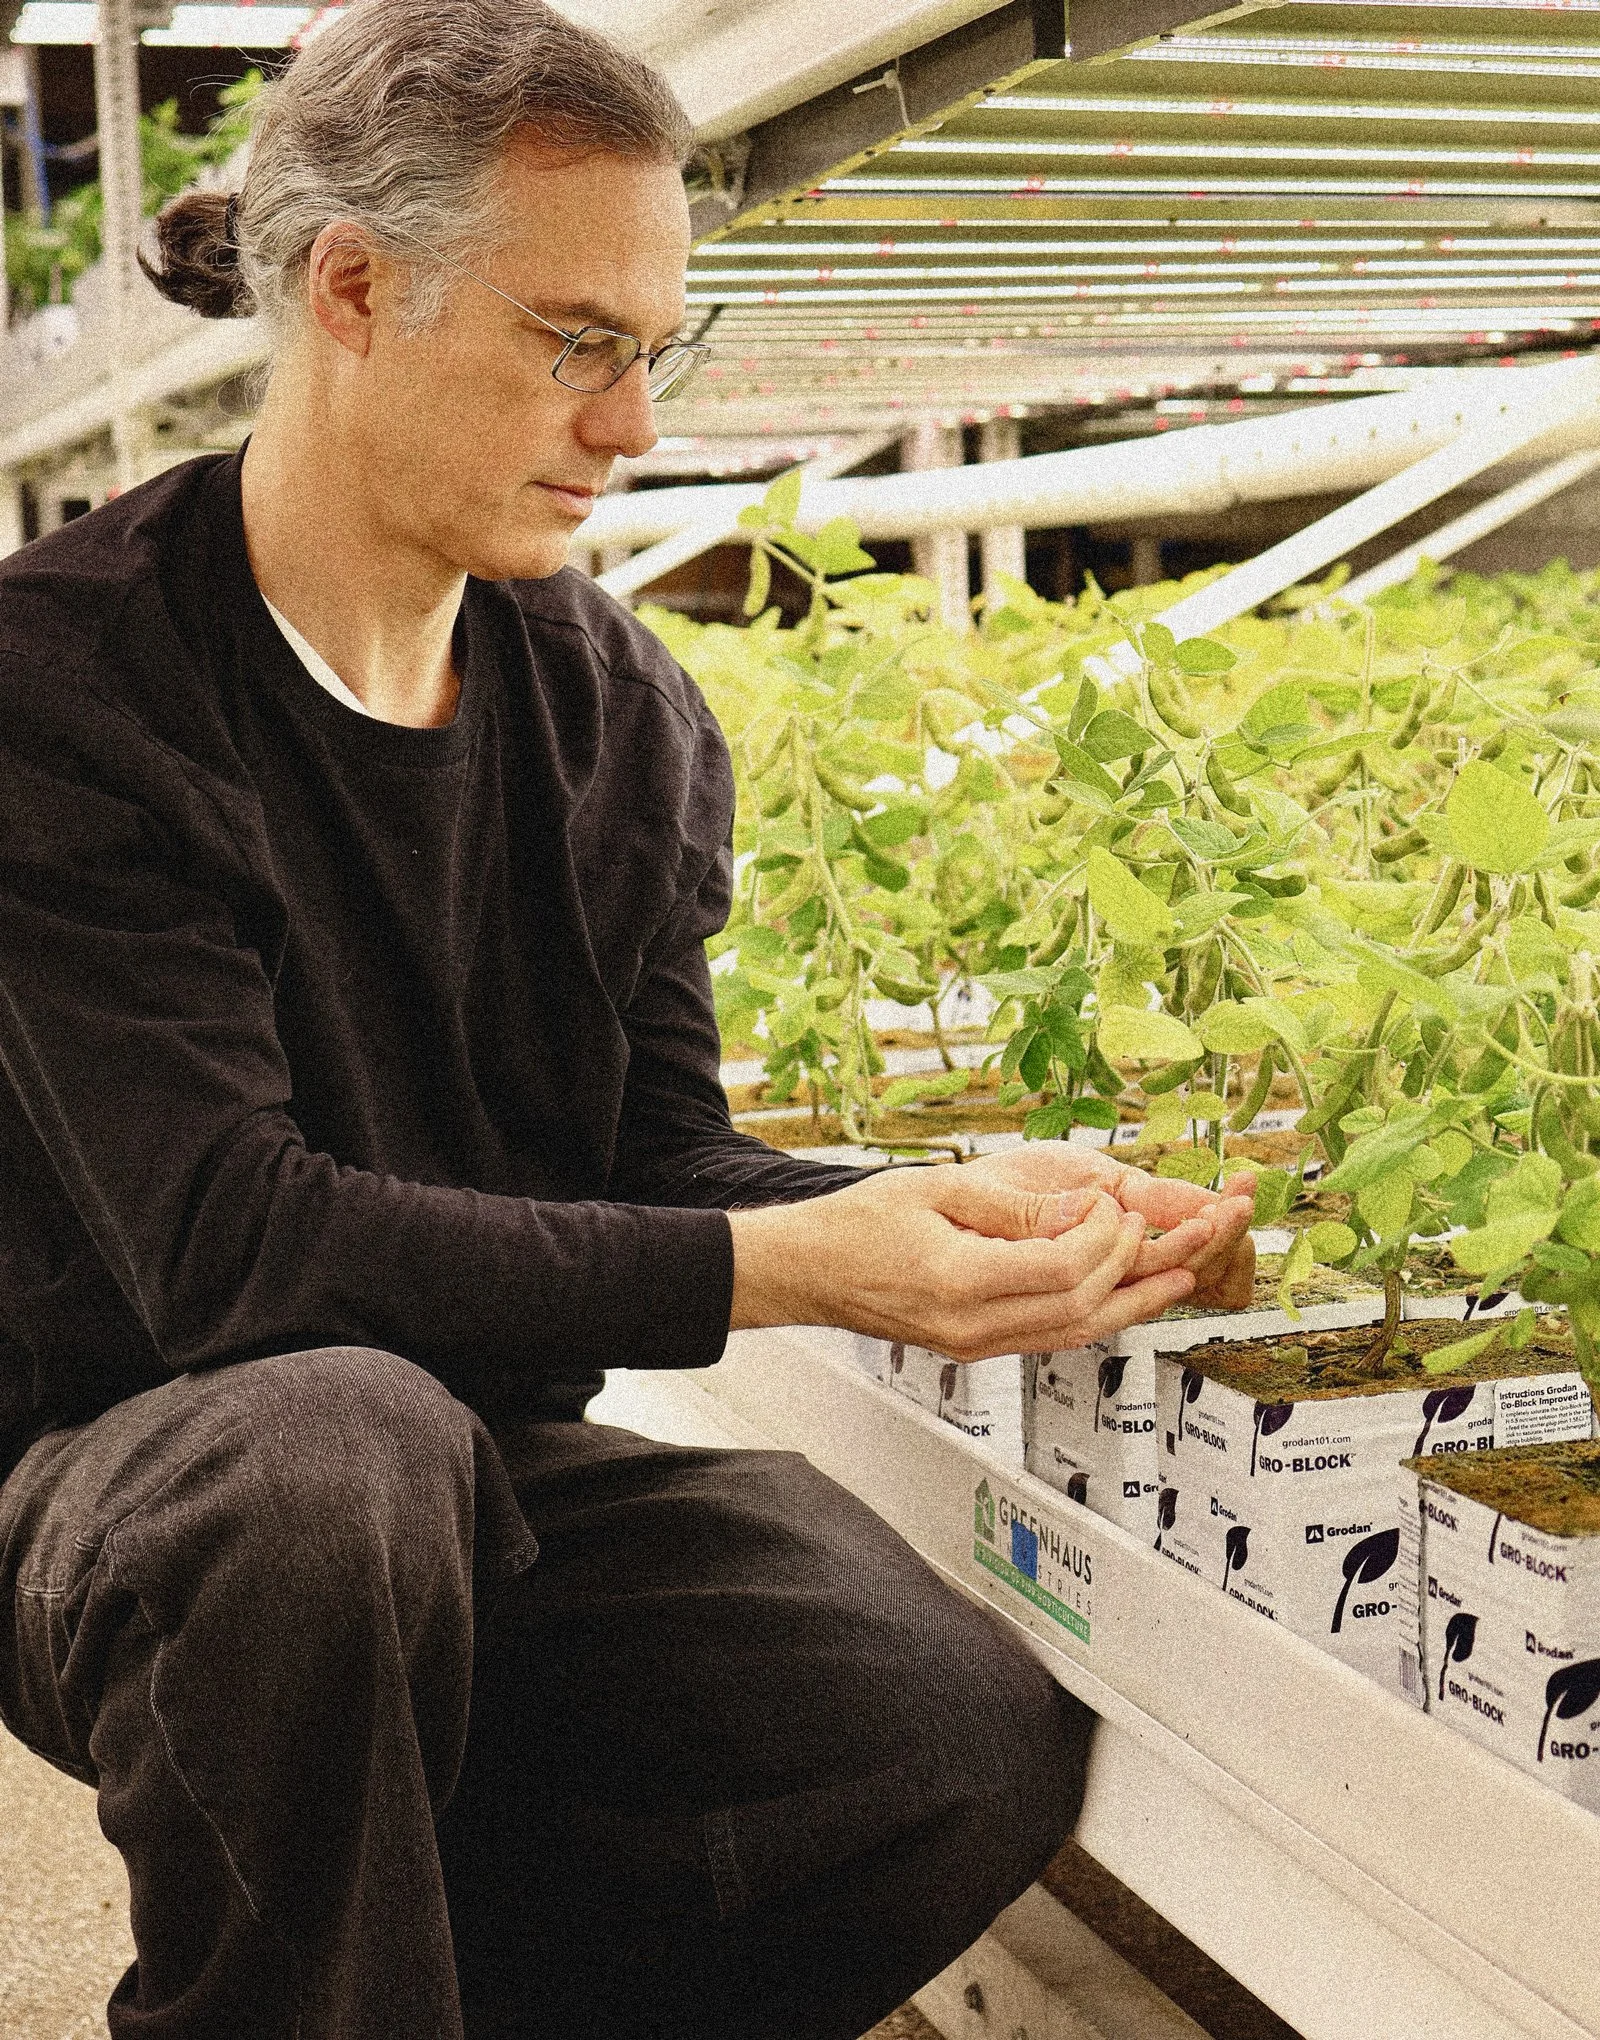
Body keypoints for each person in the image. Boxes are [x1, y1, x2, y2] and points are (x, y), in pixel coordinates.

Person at [0, 4, 1256, 2035]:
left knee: (937, 1738)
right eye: (574, 342)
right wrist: (786, 1270)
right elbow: (229, 1255)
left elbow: (654, 1157)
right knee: (335, 1452)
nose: (631, 424)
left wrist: (939, 1206)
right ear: (352, 288)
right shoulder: (70, 689)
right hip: (138, 1484)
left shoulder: (615, 715)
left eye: (653, 350)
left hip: (481, 1471)